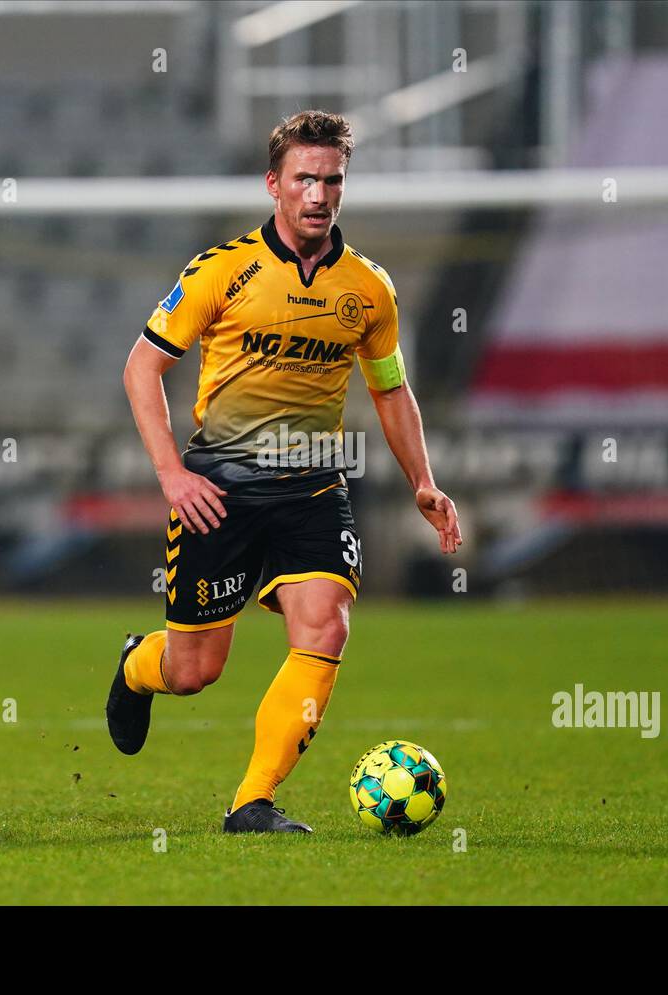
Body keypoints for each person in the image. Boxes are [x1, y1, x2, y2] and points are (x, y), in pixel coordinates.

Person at [107, 109, 461, 833]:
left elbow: (390, 388)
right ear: (275, 183)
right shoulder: (223, 271)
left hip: (312, 490)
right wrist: (173, 474)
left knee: (326, 625)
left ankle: (252, 801)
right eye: (305, 178)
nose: (319, 194)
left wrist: (423, 479)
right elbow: (142, 367)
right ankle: (139, 664)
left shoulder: (369, 290)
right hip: (219, 492)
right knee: (195, 670)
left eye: (332, 180)